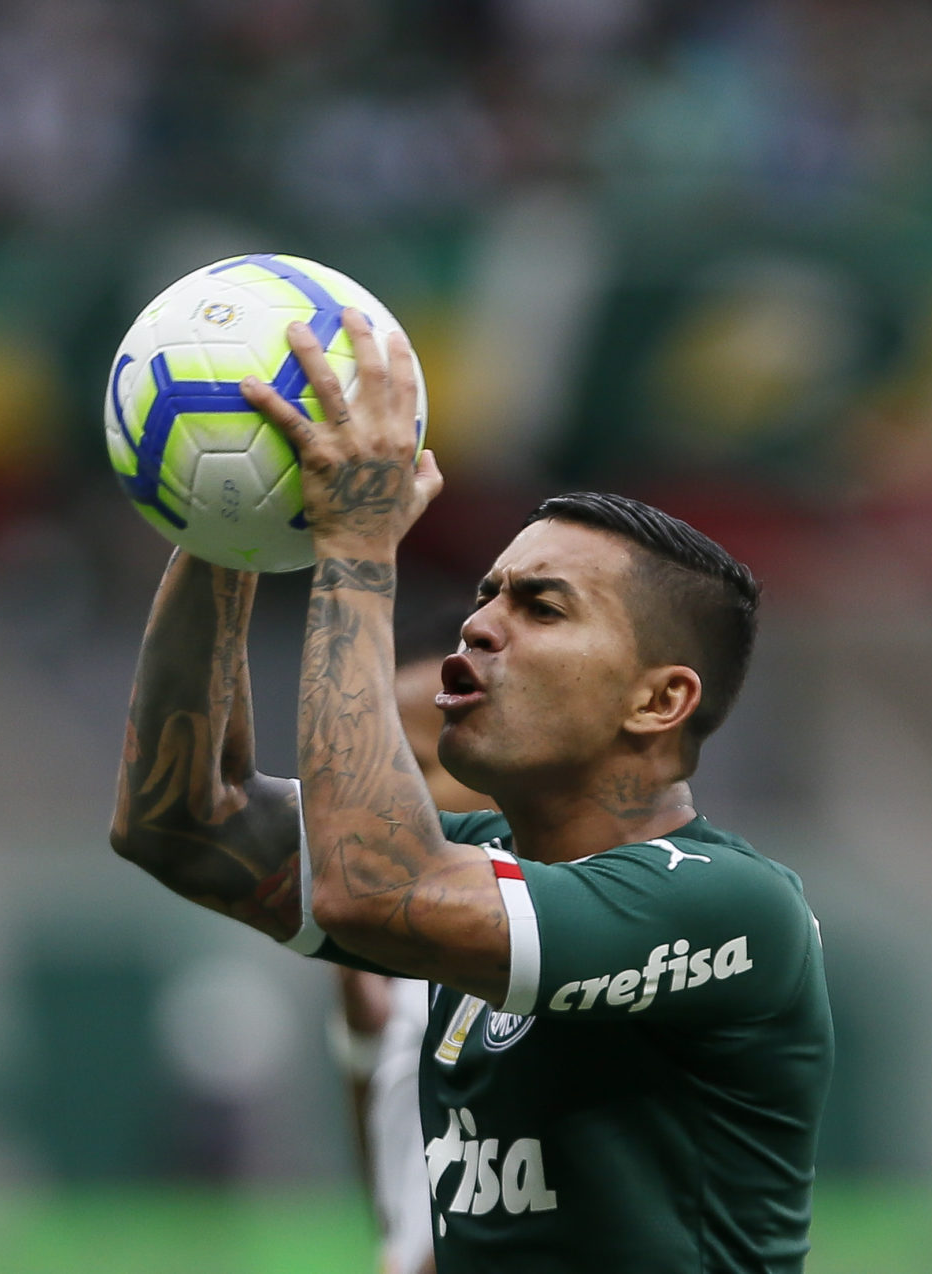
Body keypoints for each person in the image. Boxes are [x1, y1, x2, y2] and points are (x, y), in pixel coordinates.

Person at [111, 309, 832, 1272]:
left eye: (542, 607)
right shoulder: (480, 867)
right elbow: (182, 822)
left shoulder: (725, 907)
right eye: (488, 593)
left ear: (660, 700)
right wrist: (227, 521)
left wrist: (359, 547)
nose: (481, 625)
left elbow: (376, 890)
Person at [335, 609, 492, 1274]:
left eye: (419, 764)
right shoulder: (387, 952)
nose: (389, 795)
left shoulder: (546, 947)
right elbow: (389, 1175)